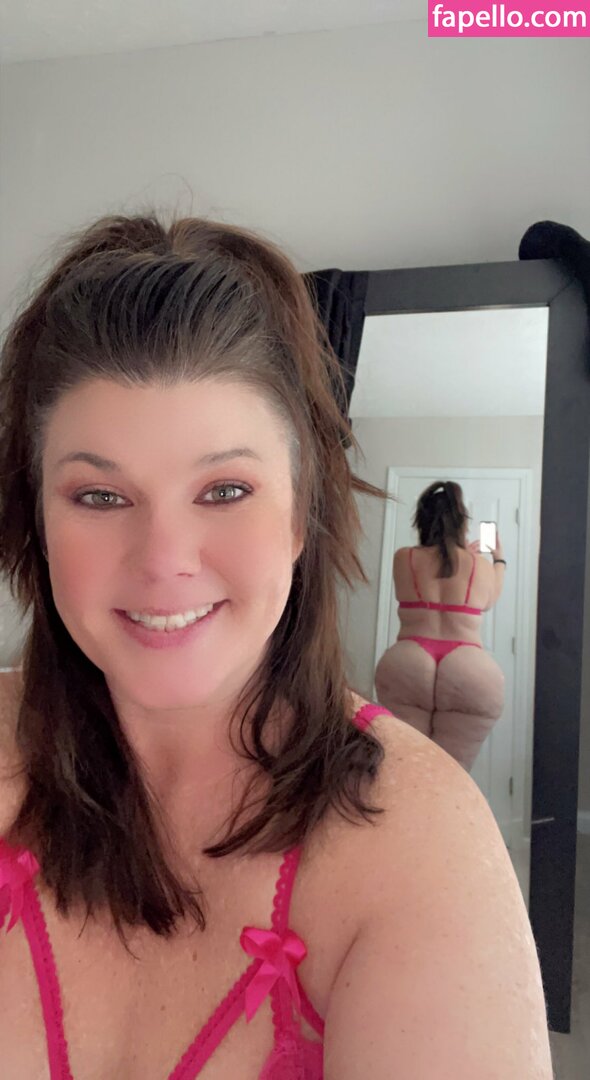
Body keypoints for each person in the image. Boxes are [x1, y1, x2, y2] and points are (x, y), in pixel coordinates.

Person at [0, 214, 551, 1079]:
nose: (164, 562)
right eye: (100, 497)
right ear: (35, 518)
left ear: (301, 517)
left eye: (225, 489)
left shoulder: (421, 851)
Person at [374, 480, 506, 771]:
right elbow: (491, 597)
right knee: (451, 773)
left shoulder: (404, 558)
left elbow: (433, 568)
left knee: (405, 767)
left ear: (421, 519)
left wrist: (454, 554)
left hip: (409, 661)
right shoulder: (479, 566)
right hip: (468, 667)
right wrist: (498, 558)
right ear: (462, 523)